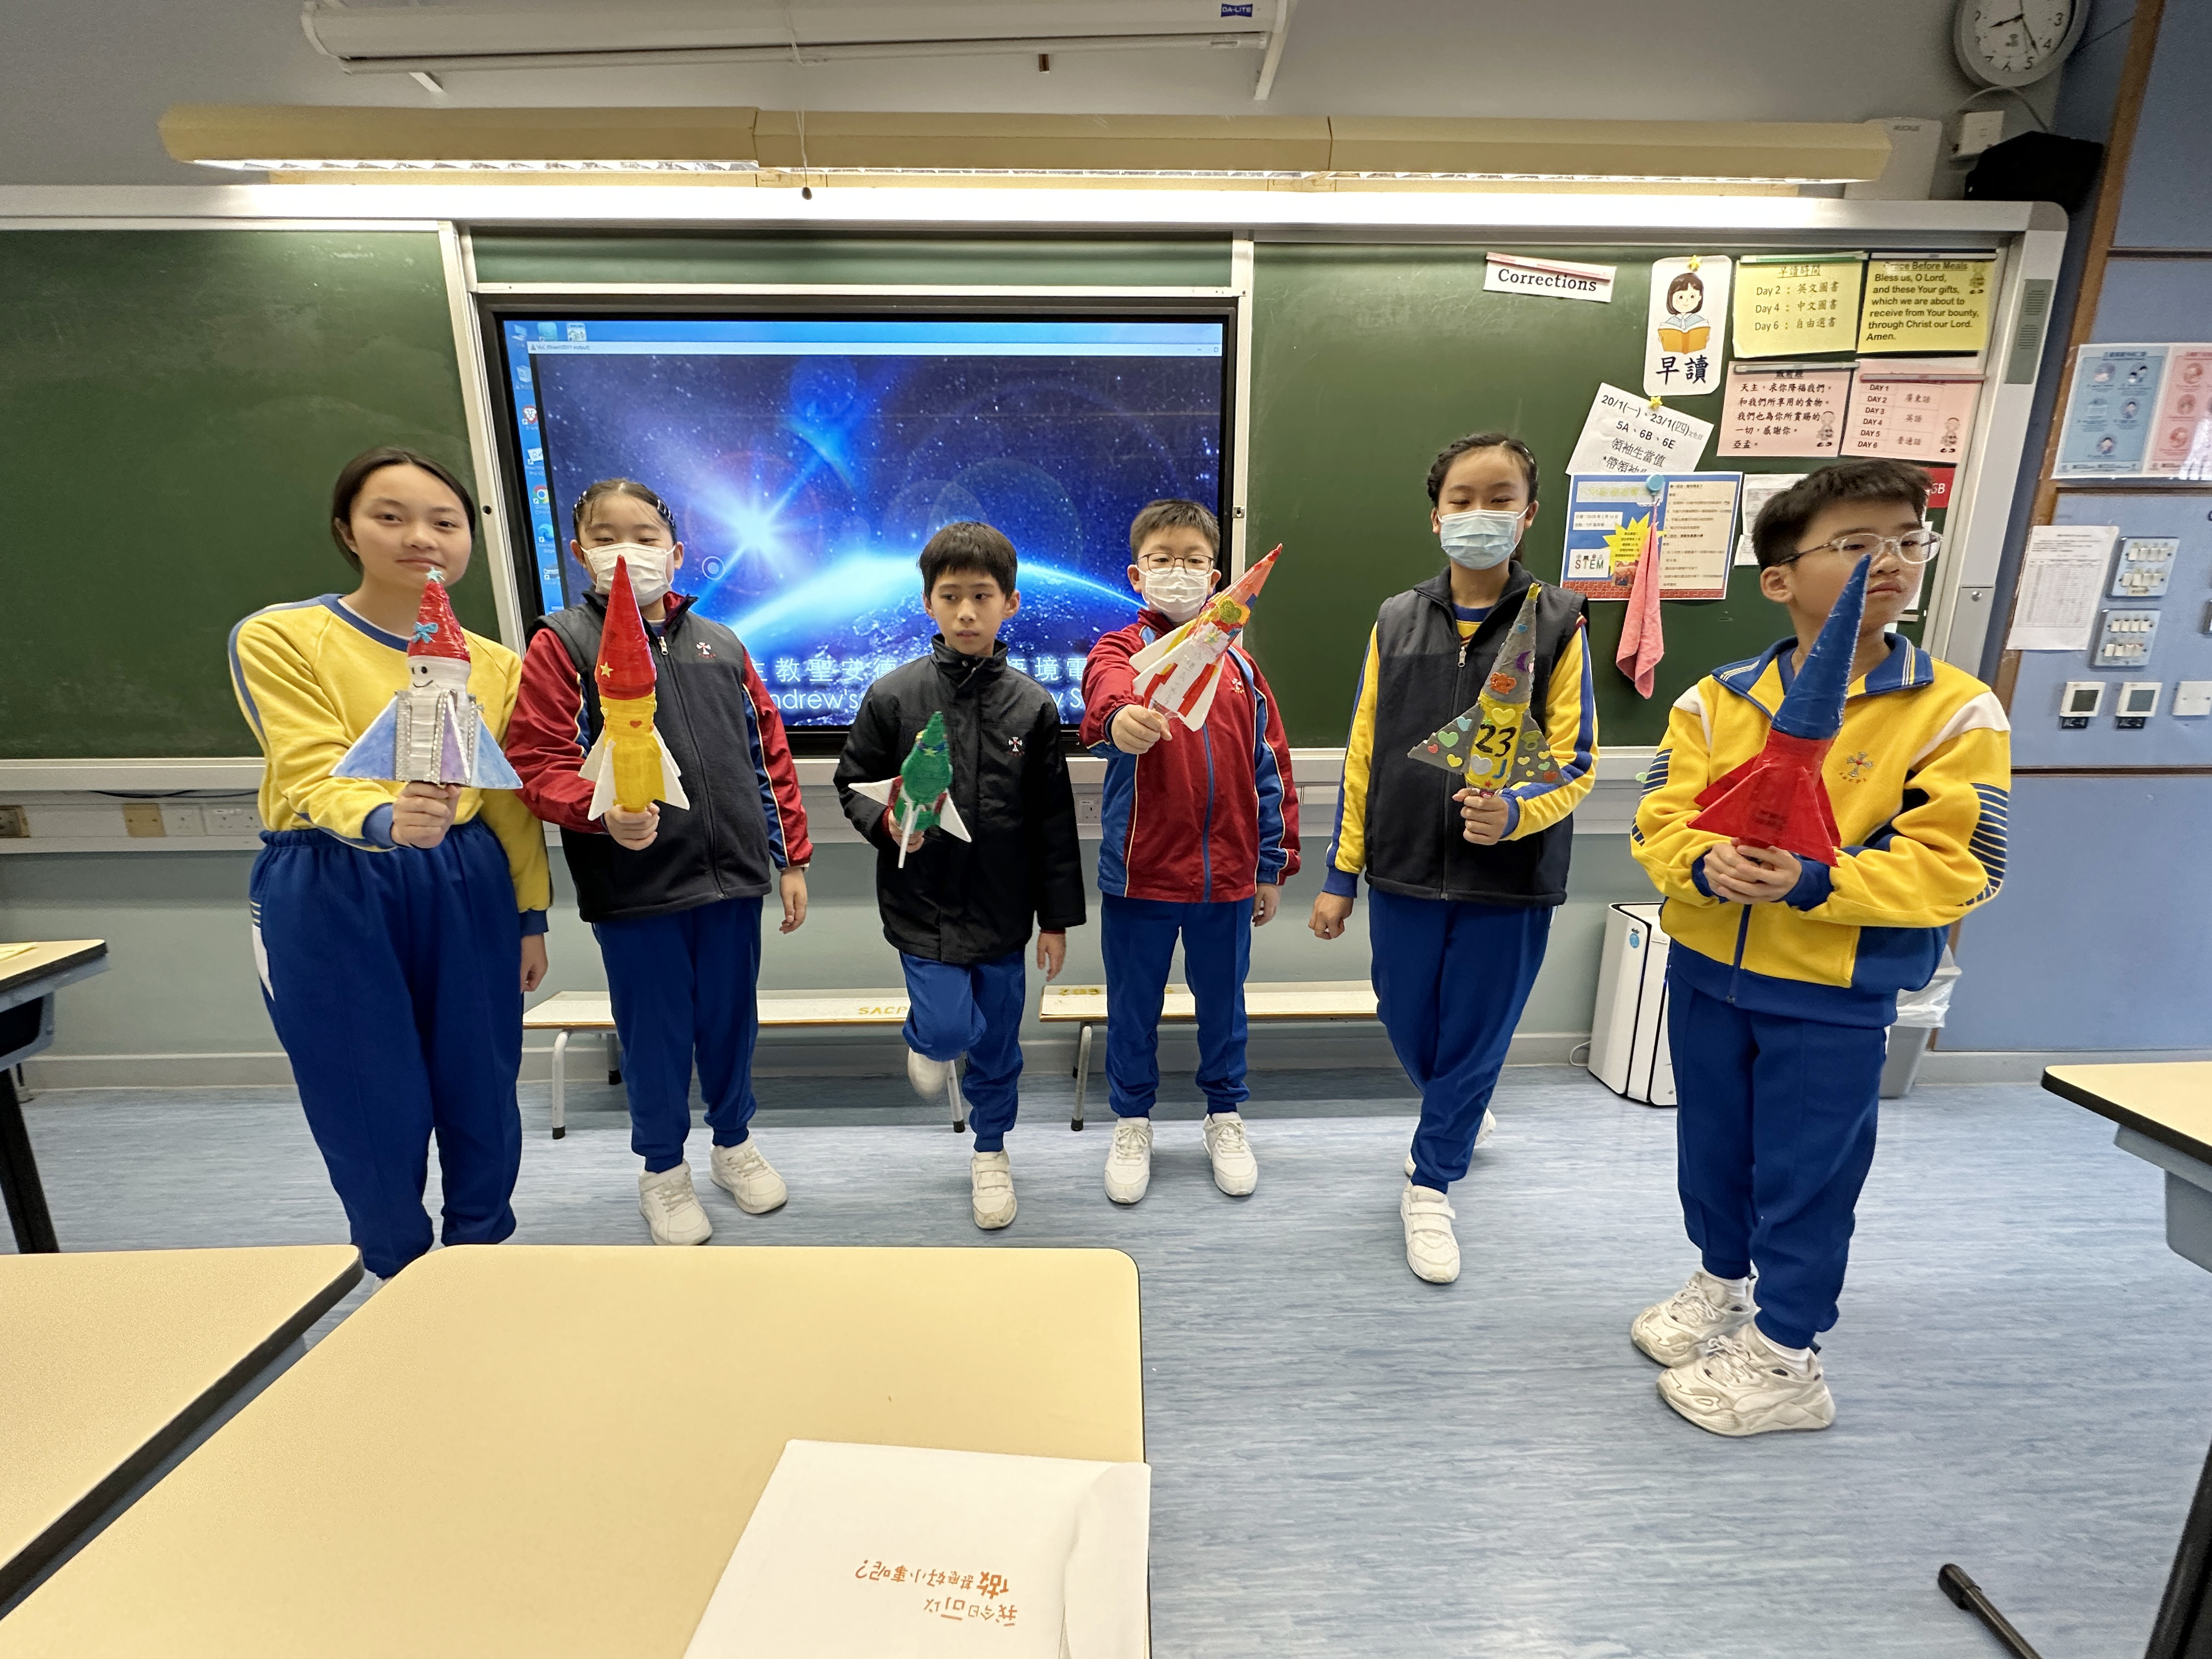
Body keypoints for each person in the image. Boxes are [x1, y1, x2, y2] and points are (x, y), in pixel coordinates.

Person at [1629, 459, 2010, 1435]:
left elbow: (1962, 866)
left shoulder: (1952, 710)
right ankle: (1722, 1282)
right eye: (1854, 543)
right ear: (1779, 577)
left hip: (1829, 992)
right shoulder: (1715, 700)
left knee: (1807, 1174)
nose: (1890, 560)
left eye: (1908, 539)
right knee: (1712, 1150)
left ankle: (1788, 1354)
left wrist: (1815, 880)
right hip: (1708, 974)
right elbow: (1659, 821)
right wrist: (1703, 862)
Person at [229, 446, 551, 1282]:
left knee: (482, 1081)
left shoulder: (494, 664)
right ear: (348, 530)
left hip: (468, 881)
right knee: (365, 1091)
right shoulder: (282, 637)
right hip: (331, 880)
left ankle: (479, 1260)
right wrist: (384, 818)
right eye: (391, 517)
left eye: (444, 522)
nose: (421, 538)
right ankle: (399, 1270)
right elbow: (306, 770)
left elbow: (509, 804)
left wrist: (530, 916)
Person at [1308, 432, 1597, 1285]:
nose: (1481, 514)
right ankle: (1461, 1104)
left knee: (1476, 1034)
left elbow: (1577, 760)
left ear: (1529, 514)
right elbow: (1364, 751)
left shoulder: (1561, 620)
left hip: (1508, 880)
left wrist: (1515, 814)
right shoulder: (1396, 618)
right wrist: (1340, 874)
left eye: (1500, 499)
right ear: (1436, 517)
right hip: (1401, 866)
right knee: (1406, 1020)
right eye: (1462, 500)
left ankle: (1432, 1180)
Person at [505, 478, 811, 1246]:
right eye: (606, 537)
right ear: (579, 553)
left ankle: (733, 1145)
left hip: (732, 879)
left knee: (731, 1025)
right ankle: (663, 1171)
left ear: (675, 554)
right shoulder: (563, 643)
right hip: (637, 888)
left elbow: (768, 754)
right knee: (657, 1037)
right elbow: (537, 760)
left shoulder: (722, 645)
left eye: (644, 538)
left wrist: (791, 859)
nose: (627, 552)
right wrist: (600, 809)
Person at [834, 521, 1085, 1231]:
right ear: (928, 603)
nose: (967, 612)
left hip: (1003, 911)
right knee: (949, 1030)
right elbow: (853, 783)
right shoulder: (893, 696)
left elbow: (1052, 824)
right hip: (921, 905)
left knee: (999, 1045)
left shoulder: (1033, 706)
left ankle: (991, 1151)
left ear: (1011, 602)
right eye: (951, 597)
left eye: (982, 596)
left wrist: (1056, 920)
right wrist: (887, 824)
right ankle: (929, 1041)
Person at [1079, 499, 1299, 1204]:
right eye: (1162, 559)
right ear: (1136, 574)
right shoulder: (1121, 650)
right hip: (1141, 874)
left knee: (1224, 1008)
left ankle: (1224, 1116)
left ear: (1216, 575)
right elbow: (1105, 695)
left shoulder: (1243, 669)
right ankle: (1131, 1121)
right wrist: (1121, 717)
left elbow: (1272, 768)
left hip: (1228, 878)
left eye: (1194, 560)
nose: (1178, 571)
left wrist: (1271, 865)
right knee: (1132, 1008)